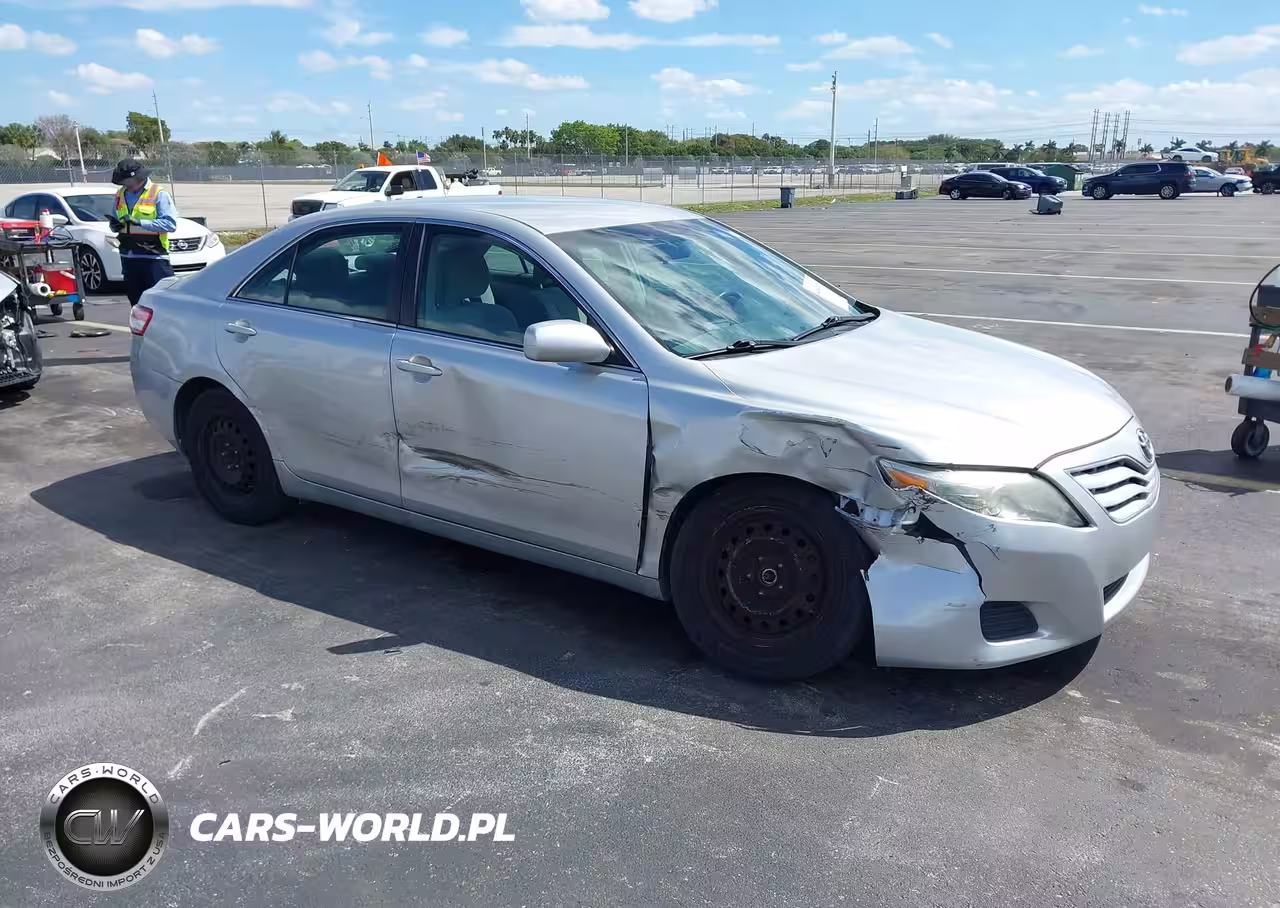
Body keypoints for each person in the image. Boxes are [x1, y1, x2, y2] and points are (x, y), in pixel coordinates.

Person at [109, 158, 177, 306]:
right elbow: (115, 218)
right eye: (124, 182)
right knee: (137, 304)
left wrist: (140, 222)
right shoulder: (120, 194)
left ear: (139, 177)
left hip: (154, 257)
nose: (126, 185)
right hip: (128, 256)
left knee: (162, 303)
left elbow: (170, 224)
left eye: (128, 182)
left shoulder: (158, 194)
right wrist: (114, 225)